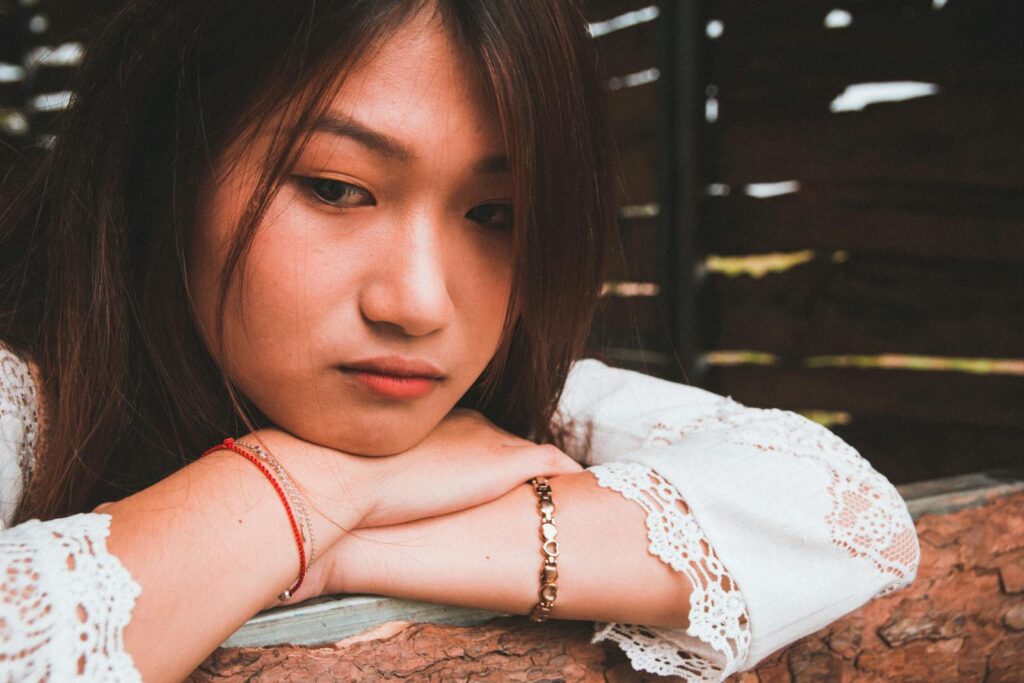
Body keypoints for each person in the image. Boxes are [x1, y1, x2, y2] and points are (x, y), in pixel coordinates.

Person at [0, 1, 920, 681]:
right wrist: (297, 485)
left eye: (494, 213)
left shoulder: (521, 404)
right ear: (168, 171)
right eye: (335, 188)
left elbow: (850, 517)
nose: (418, 302)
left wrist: (344, 536)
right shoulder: (28, 401)